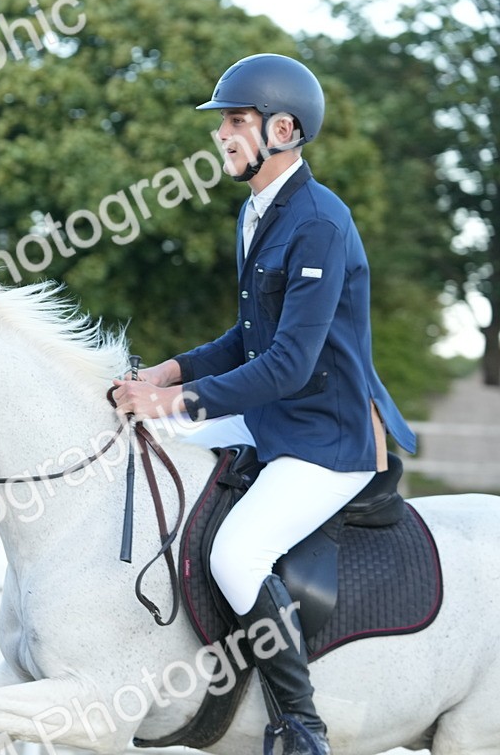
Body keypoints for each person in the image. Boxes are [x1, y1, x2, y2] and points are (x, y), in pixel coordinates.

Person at [110, 53, 417, 755]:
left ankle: (300, 725)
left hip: (326, 437)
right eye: (223, 122)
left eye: (236, 121)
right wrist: (169, 369)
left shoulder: (317, 222)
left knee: (238, 556)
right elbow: (246, 338)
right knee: (151, 456)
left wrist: (176, 400)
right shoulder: (257, 213)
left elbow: (286, 364)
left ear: (283, 129)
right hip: (275, 416)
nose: (222, 134)